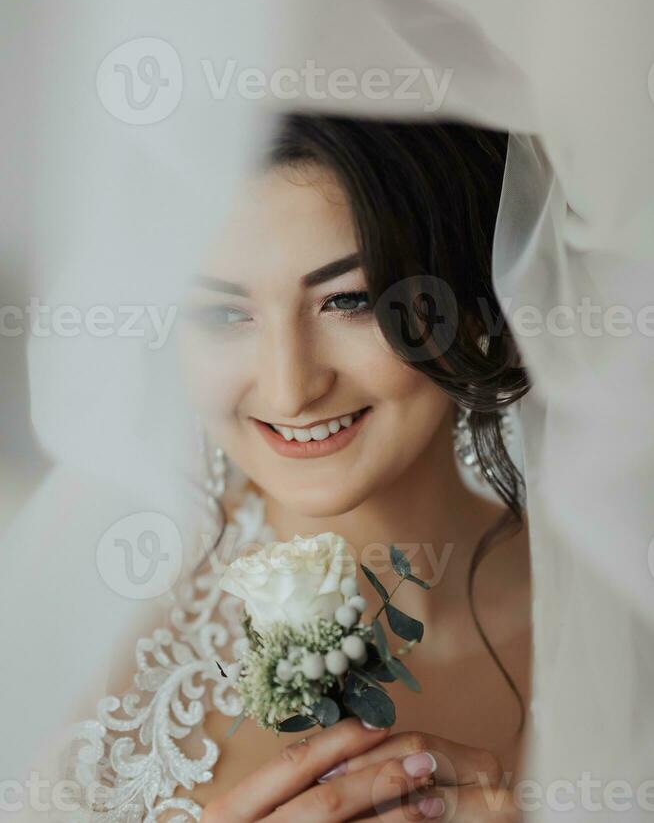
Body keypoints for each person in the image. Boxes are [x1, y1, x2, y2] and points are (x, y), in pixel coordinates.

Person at [64, 113, 532, 822]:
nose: (290, 388)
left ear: (471, 305)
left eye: (350, 300)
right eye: (223, 315)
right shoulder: (84, 654)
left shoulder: (620, 602)